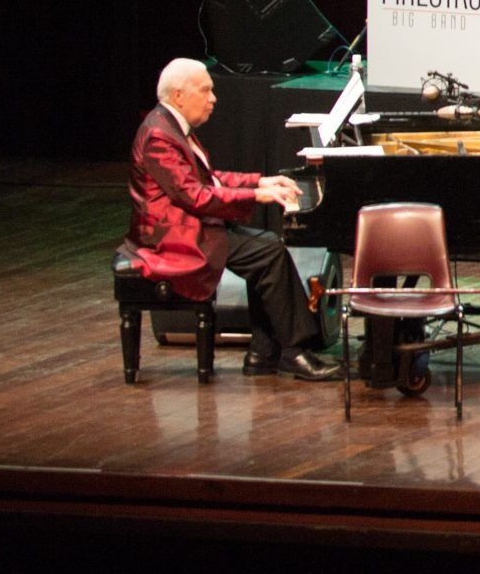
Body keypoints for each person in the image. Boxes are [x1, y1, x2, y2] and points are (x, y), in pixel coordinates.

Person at [121, 59, 337, 381]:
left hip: (190, 225)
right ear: (179, 96)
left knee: (267, 247)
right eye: (205, 90)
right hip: (173, 238)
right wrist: (254, 196)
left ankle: (263, 354)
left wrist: (259, 182)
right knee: (269, 254)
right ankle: (292, 352)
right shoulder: (159, 136)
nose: (213, 98)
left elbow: (209, 178)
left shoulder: (171, 126)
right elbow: (195, 196)